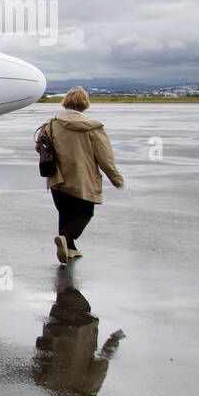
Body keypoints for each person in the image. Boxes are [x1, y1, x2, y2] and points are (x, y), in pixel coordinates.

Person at [41, 87, 123, 264]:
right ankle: (67, 238)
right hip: (82, 178)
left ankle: (69, 247)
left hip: (57, 176)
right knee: (85, 212)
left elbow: (40, 147)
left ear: (66, 102)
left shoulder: (51, 124)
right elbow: (105, 157)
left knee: (65, 212)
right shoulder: (93, 127)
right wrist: (116, 179)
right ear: (85, 104)